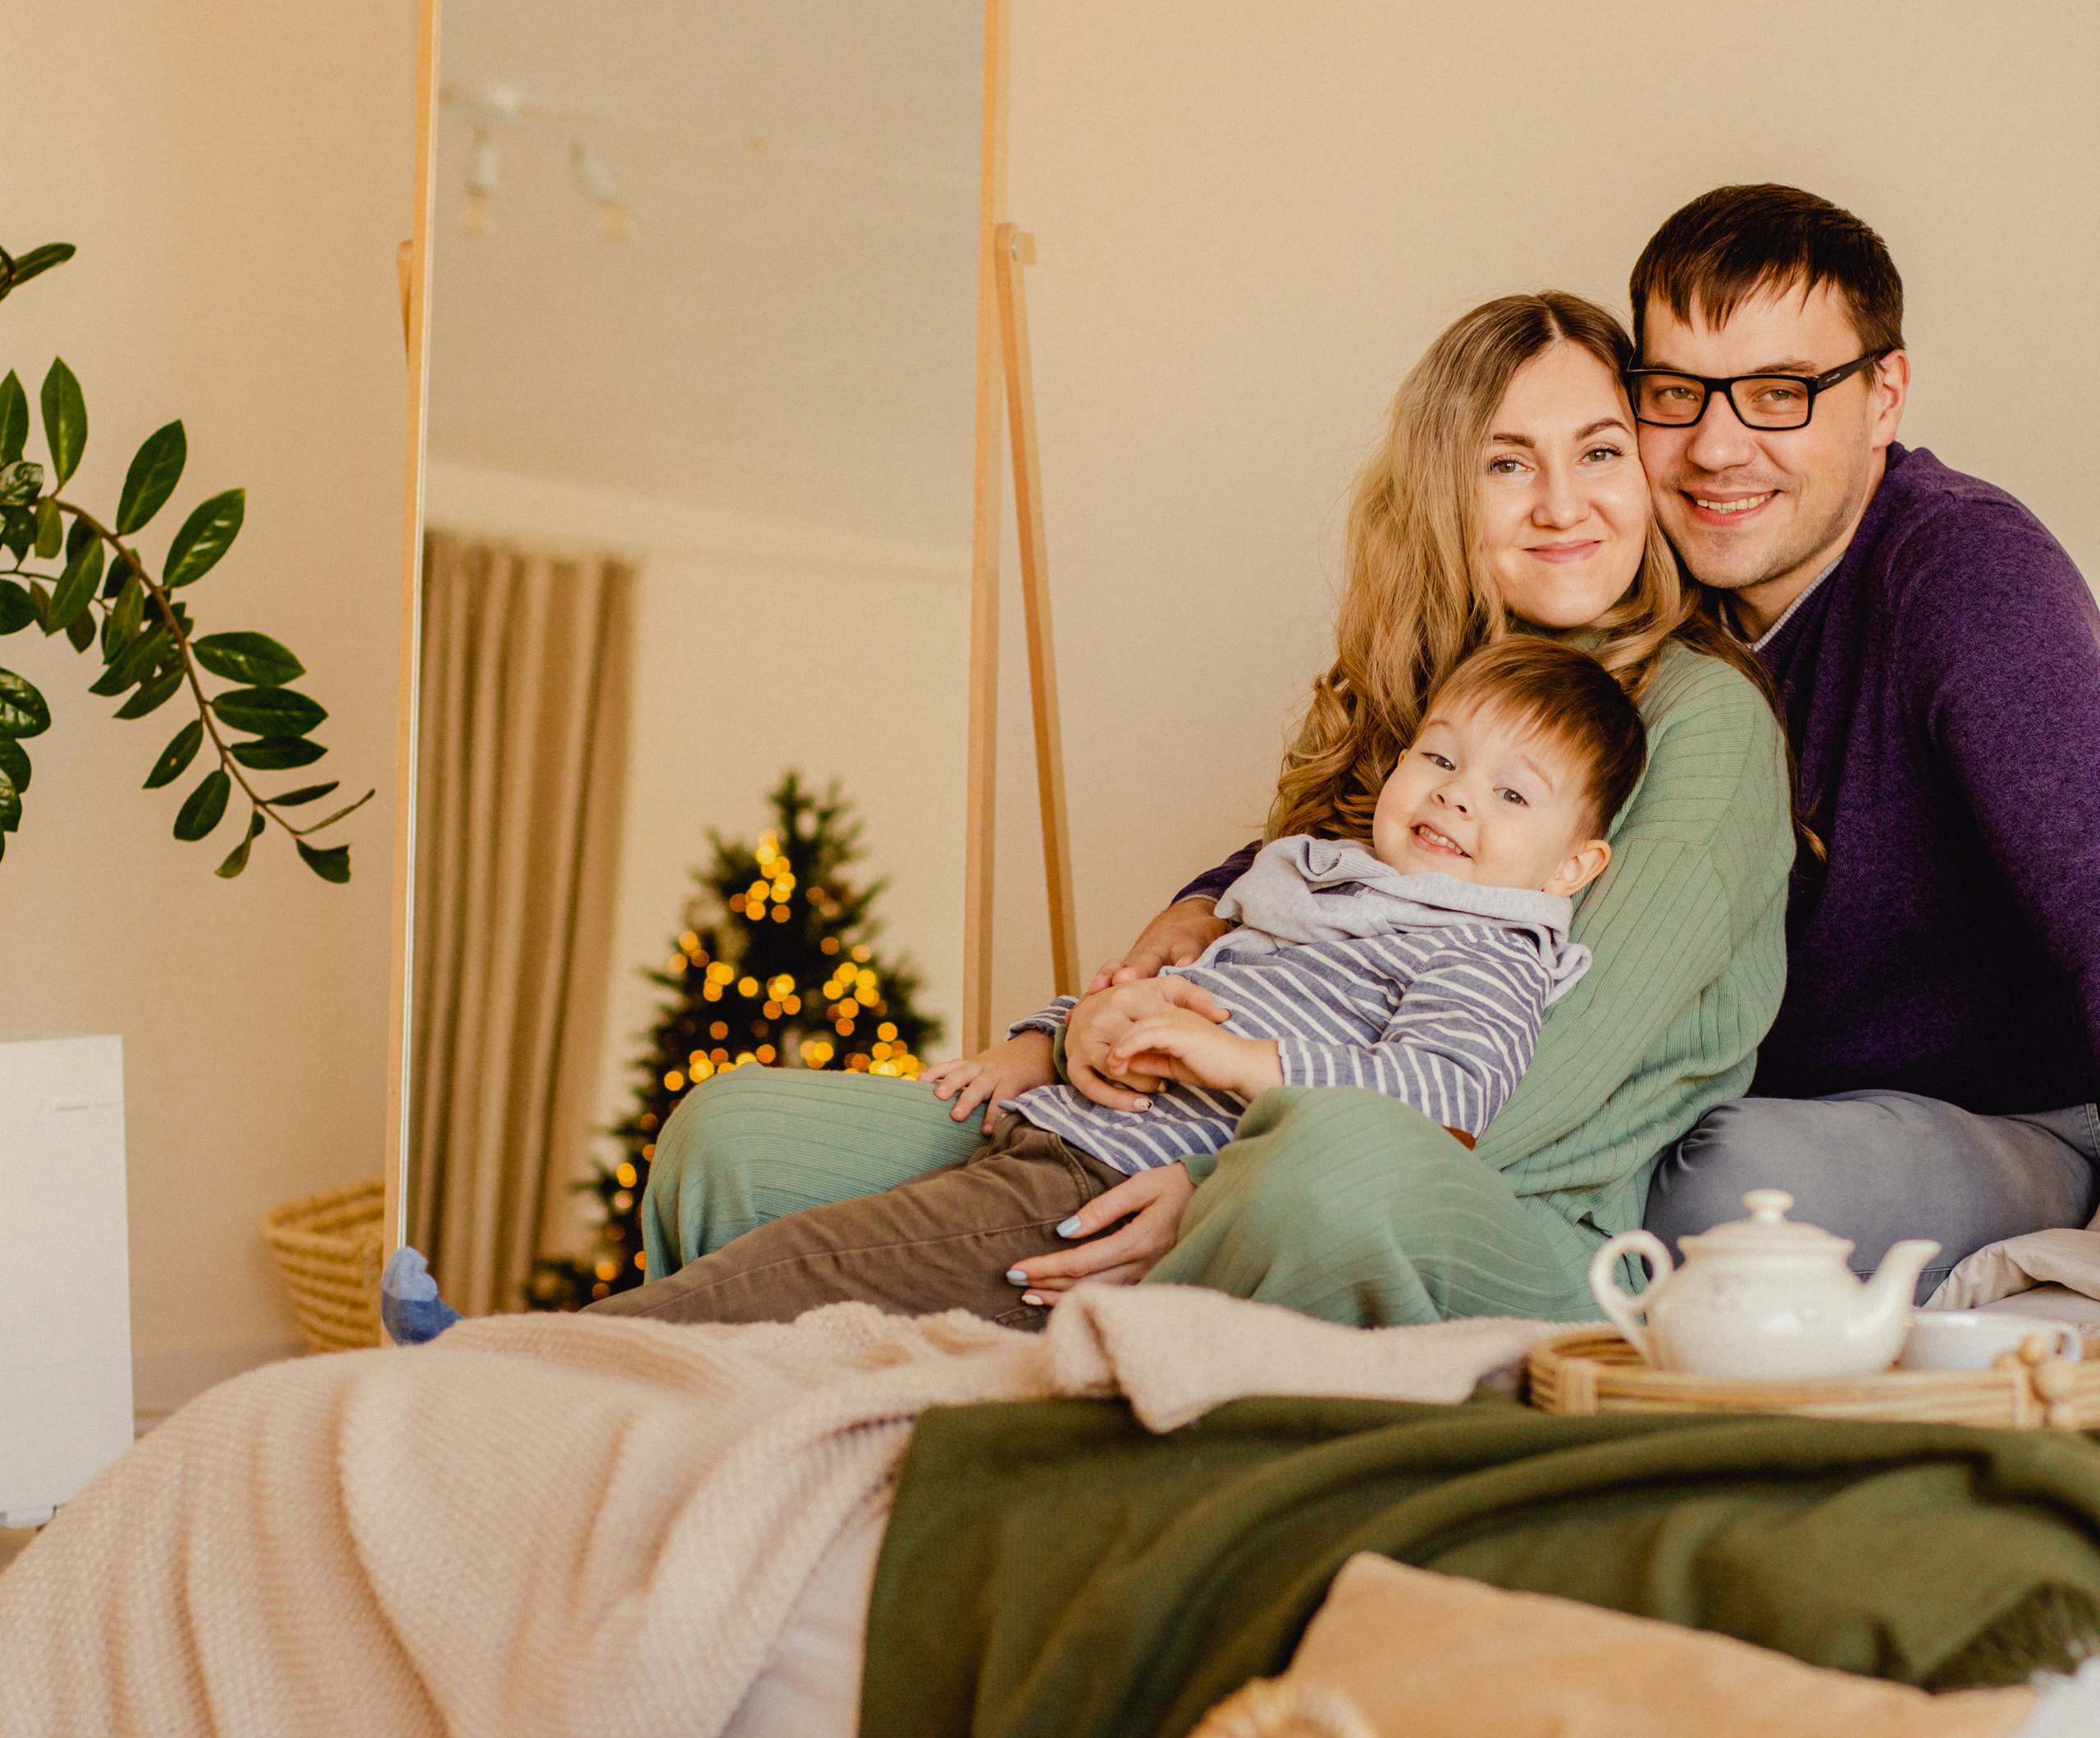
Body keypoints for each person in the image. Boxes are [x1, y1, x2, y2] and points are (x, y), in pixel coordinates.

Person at [628, 291, 1795, 1329]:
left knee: (1324, 1168)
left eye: (1598, 452)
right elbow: (1265, 936)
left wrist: (1217, 1191)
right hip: (1191, 1125)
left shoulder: (1706, 722)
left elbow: (1540, 1080)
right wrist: (1097, 1021)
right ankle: (700, 1440)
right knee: (736, 1136)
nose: (1560, 504)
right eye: (1506, 465)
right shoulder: (1413, 706)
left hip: (1505, 1212)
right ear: (1449, 491)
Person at [568, 638, 1639, 1330]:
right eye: (1441, 761)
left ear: (1571, 867)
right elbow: (1163, 985)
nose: (1456, 800)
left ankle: (538, 1360)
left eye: (1510, 793)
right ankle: (566, 1366)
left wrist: (1235, 1061)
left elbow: (1444, 1098)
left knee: (814, 1267)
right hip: (1055, 1129)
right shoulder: (1323, 884)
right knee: (809, 1247)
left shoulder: (1486, 950)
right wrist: (1045, 1037)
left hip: (1090, 1192)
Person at [1628, 186, 2100, 1289]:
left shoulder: (1961, 573)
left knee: (1721, 1189)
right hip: (1739, 1102)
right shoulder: (1629, 575)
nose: (1716, 448)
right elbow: (1437, 775)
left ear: (1881, 396)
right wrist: (1212, 902)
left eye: (1779, 393)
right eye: (1675, 394)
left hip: (2017, 1120)